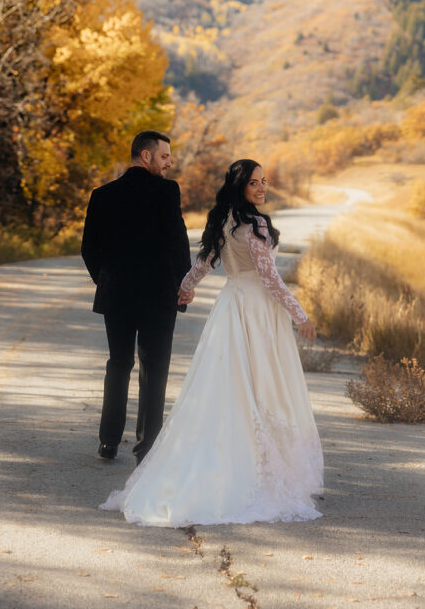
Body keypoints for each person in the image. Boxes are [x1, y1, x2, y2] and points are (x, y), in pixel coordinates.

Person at [100, 159, 324, 526]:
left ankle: (247, 461)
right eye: (254, 183)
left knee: (236, 388)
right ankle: (259, 471)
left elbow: (204, 262)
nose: (262, 188)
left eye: (264, 181)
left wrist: (186, 287)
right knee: (262, 387)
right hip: (257, 311)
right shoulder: (256, 225)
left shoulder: (224, 220)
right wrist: (300, 314)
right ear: (240, 187)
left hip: (232, 307)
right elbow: (270, 279)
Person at [81, 130, 191, 463]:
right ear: (145, 156)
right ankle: (146, 448)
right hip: (159, 296)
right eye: (164, 156)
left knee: (118, 363)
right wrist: (184, 283)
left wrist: (106, 279)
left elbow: (89, 248)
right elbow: (177, 240)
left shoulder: (102, 194)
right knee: (154, 369)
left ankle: (108, 441)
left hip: (118, 295)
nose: (169, 163)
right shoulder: (167, 191)